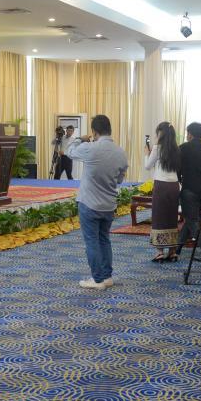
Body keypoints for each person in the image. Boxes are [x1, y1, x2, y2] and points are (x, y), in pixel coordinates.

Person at [66, 115, 128, 290]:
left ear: (94, 131)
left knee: (92, 241)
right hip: (108, 205)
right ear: (110, 129)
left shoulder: (89, 148)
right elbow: (119, 180)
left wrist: (80, 139)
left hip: (89, 203)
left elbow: (69, 151)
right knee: (104, 240)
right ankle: (107, 277)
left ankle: (98, 280)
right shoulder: (121, 152)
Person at [145, 121, 182, 262]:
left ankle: (160, 252)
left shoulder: (157, 148)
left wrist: (146, 154)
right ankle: (172, 251)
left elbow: (147, 166)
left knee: (159, 216)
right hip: (174, 185)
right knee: (172, 216)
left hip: (161, 184)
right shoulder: (177, 149)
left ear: (161, 133)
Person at [176, 122, 201, 258]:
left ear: (190, 134)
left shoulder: (183, 148)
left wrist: (178, 180)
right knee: (191, 219)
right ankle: (177, 248)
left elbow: (177, 168)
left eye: (187, 133)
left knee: (192, 221)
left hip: (189, 189)